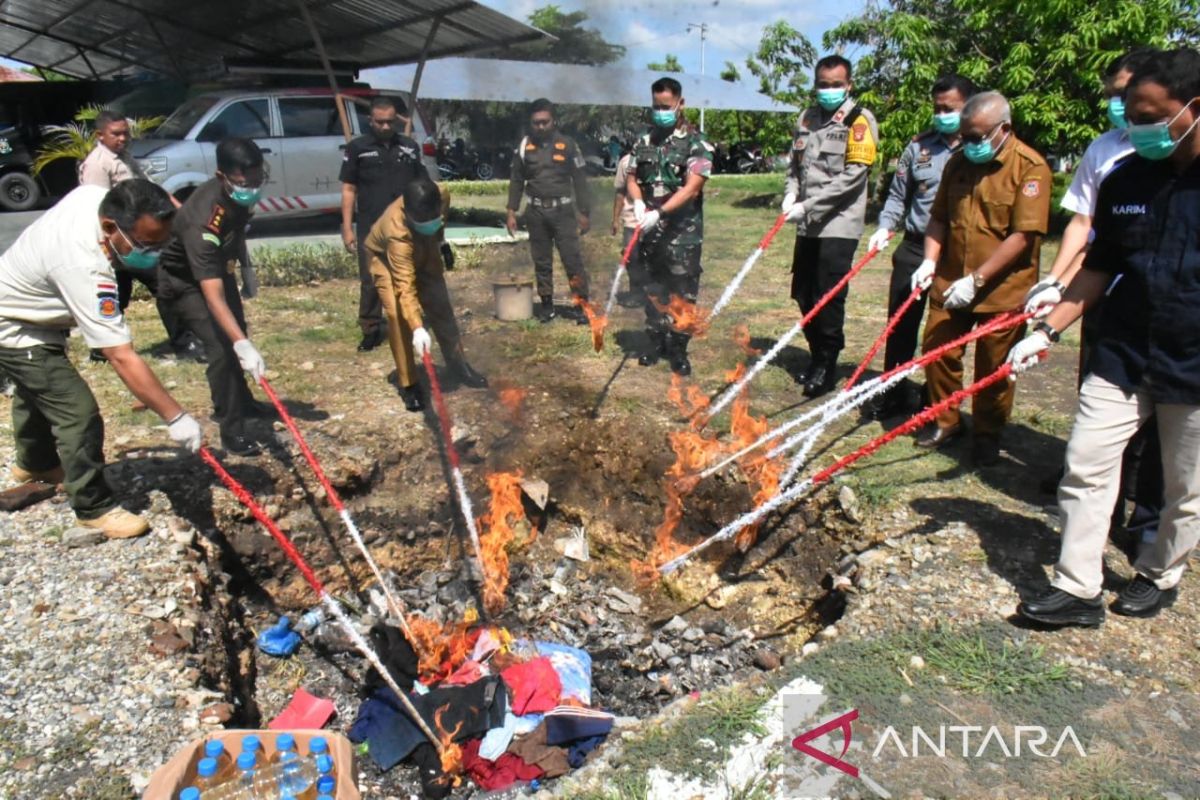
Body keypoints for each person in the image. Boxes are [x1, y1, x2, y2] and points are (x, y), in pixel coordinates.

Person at [1010, 47, 1200, 627]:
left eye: (1151, 115)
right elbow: (1100, 266)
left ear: (1192, 109)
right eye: (1132, 114)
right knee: (1086, 463)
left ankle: (1158, 572)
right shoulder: (1125, 180)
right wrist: (1048, 329)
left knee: (1184, 486)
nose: (1138, 127)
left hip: (1192, 363)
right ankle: (1078, 588)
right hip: (1121, 350)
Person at [0, 180, 202, 538]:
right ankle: (93, 508)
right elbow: (120, 355)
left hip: (24, 304)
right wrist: (176, 416)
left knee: (41, 386)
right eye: (145, 244)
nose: (152, 254)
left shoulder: (98, 197)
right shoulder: (84, 266)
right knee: (76, 411)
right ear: (110, 227)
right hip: (12, 323)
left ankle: (35, 464)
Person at [1023, 48, 1163, 549]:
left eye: (1130, 96)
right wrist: (1055, 284)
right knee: (1099, 405)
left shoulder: (1173, 157)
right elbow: (1085, 225)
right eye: (1116, 98)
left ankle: (1147, 528)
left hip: (1171, 319)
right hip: (1104, 299)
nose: (1122, 107)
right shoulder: (1106, 153)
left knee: (1162, 435)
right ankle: (1099, 509)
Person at [911, 91, 1051, 465]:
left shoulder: (1030, 167)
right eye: (966, 136)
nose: (969, 144)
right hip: (949, 281)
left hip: (1002, 290)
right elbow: (939, 217)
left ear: (1003, 129)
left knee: (995, 368)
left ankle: (988, 434)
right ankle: (946, 419)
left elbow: (1023, 236)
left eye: (977, 136)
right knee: (938, 351)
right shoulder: (958, 163)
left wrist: (977, 279)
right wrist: (929, 262)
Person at [866, 74, 976, 418]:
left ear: (968, 107)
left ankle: (933, 400)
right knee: (900, 325)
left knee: (943, 330)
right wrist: (886, 227)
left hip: (955, 253)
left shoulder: (978, 148)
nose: (942, 114)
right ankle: (893, 392)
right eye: (937, 108)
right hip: (914, 247)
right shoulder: (920, 147)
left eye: (950, 108)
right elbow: (899, 195)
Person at [156, 138, 272, 457]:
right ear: (223, 176)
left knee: (237, 330)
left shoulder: (238, 193)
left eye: (257, 178)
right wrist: (241, 344)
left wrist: (246, 269)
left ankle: (244, 403)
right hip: (187, 281)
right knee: (222, 348)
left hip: (219, 269)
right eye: (244, 181)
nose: (252, 186)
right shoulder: (203, 220)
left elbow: (236, 233)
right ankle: (232, 429)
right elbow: (212, 298)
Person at [782, 55, 880, 397]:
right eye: (823, 84)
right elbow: (795, 166)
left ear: (848, 85)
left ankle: (827, 363)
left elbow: (854, 178)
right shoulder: (807, 118)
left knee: (828, 296)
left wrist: (808, 205)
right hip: (807, 223)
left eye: (836, 84)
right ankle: (815, 353)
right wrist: (790, 195)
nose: (828, 90)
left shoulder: (859, 121)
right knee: (803, 293)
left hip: (838, 223)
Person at [78, 108, 202, 364]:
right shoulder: (97, 165)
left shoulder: (124, 157)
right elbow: (97, 207)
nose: (123, 138)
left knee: (127, 293)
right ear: (100, 135)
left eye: (125, 133)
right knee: (158, 285)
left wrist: (179, 210)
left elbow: (148, 189)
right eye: (116, 134)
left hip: (138, 238)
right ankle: (182, 342)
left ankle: (103, 348)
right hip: (121, 243)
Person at [364, 176, 487, 411]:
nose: (430, 220)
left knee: (441, 304)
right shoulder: (396, 231)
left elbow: (439, 222)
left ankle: (458, 365)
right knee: (397, 314)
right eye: (422, 219)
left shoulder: (440, 193)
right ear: (408, 214)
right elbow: (405, 288)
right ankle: (409, 384)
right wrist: (418, 328)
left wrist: (441, 242)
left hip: (426, 244)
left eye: (432, 217)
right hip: (387, 261)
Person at [626, 77, 714, 376]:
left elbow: (692, 189)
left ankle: (678, 351)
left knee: (682, 295)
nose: (660, 111)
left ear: (680, 104)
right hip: (650, 234)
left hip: (682, 235)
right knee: (652, 290)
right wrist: (638, 202)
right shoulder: (644, 140)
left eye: (665, 106)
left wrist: (659, 212)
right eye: (655, 106)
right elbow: (631, 178)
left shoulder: (696, 143)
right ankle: (655, 343)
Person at [339, 97, 431, 352]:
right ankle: (370, 328)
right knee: (370, 280)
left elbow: (423, 186)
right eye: (380, 122)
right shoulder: (357, 148)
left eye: (390, 122)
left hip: (404, 226)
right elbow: (348, 189)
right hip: (370, 225)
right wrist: (347, 227)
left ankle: (410, 322)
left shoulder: (410, 147)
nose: (385, 127)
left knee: (407, 275)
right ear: (371, 120)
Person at [505, 98, 592, 324]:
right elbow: (516, 180)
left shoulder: (569, 145)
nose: (540, 127)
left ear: (554, 121)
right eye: (536, 123)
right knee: (542, 261)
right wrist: (511, 211)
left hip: (563, 211)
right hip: (535, 212)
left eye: (545, 122)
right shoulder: (524, 147)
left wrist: (584, 212)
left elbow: (580, 180)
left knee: (572, 260)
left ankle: (581, 305)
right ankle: (546, 306)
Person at [611, 149, 646, 308]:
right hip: (632, 219)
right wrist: (615, 219)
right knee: (632, 257)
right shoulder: (626, 162)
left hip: (656, 217)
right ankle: (636, 292)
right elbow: (620, 192)